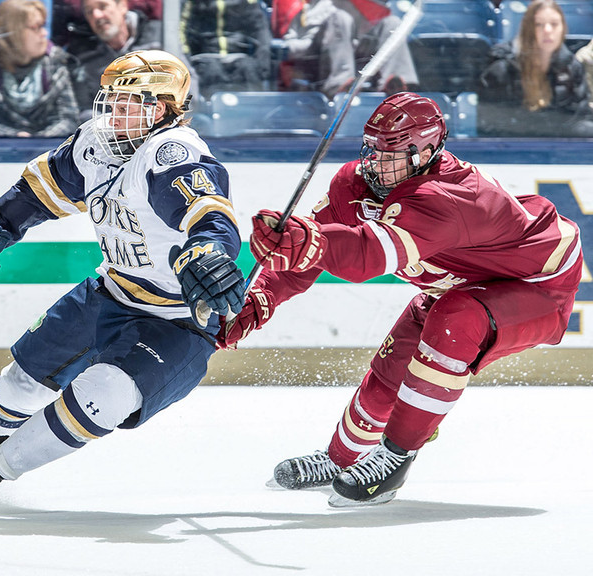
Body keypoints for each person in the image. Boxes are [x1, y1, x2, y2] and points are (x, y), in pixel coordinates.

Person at [218, 92, 583, 506]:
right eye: (372, 149)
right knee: (389, 374)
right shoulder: (354, 182)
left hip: (538, 284)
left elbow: (366, 255)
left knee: (455, 319)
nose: (376, 162)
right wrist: (259, 300)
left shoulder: (450, 197)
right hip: (462, 281)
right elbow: (307, 254)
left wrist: (310, 242)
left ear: (427, 151)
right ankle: (340, 459)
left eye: (391, 153)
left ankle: (395, 457)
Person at [0, 50, 245, 520]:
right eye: (113, 100)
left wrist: (209, 248)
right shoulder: (97, 144)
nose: (113, 112)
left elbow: (207, 209)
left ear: (161, 109)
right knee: (20, 381)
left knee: (107, 393)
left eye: (129, 103)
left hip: (177, 320)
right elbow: (38, 192)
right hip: (111, 292)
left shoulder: (171, 152)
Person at [0, 0, 79, 137]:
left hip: (49, 150)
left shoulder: (55, 62)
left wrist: (40, 140)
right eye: (37, 27)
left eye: (44, 26)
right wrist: (14, 136)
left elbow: (69, 119)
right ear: (12, 33)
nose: (44, 33)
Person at [477, 0, 593, 137]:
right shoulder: (502, 70)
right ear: (528, 30)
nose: (548, 30)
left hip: (560, 151)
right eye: (539, 25)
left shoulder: (572, 67)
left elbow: (581, 118)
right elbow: (490, 126)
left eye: (554, 24)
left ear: (563, 29)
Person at [67, 0, 197, 115]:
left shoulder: (160, 37)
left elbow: (188, 89)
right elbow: (83, 110)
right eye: (89, 12)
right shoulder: (85, 56)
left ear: (123, 6)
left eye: (103, 6)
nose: (96, 15)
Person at [276, 0, 417, 98]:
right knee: (340, 19)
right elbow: (290, 46)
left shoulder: (357, 4)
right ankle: (340, 85)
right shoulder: (302, 5)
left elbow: (367, 31)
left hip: (354, 53)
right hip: (317, 57)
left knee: (392, 23)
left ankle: (396, 85)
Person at [179, 0, 272, 95]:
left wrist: (262, 61)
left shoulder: (247, 2)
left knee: (249, 70)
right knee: (211, 71)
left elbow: (260, 28)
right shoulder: (191, 2)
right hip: (204, 56)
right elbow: (180, 28)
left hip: (239, 55)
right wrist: (187, 61)